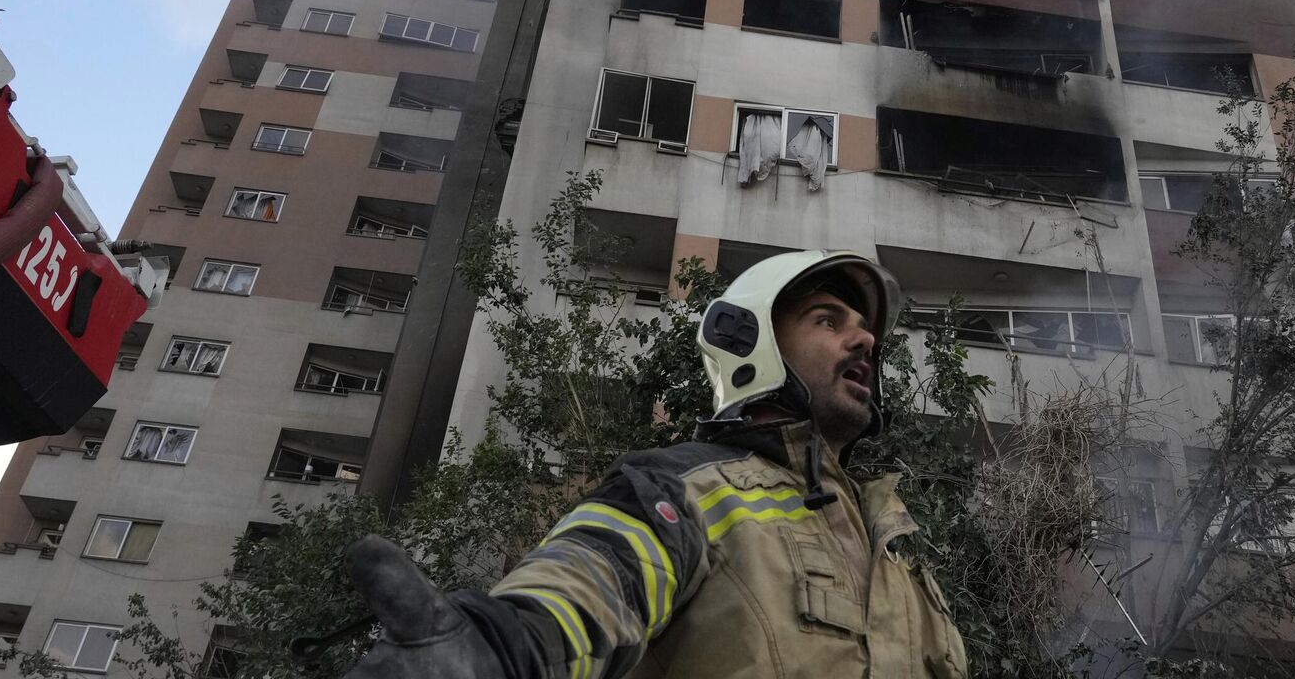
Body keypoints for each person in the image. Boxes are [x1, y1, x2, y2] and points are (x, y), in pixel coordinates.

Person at [342, 250, 967, 679]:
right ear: (751, 345)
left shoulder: (900, 557)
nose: (865, 341)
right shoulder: (690, 488)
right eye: (828, 321)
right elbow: (595, 578)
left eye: (866, 330)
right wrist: (499, 648)